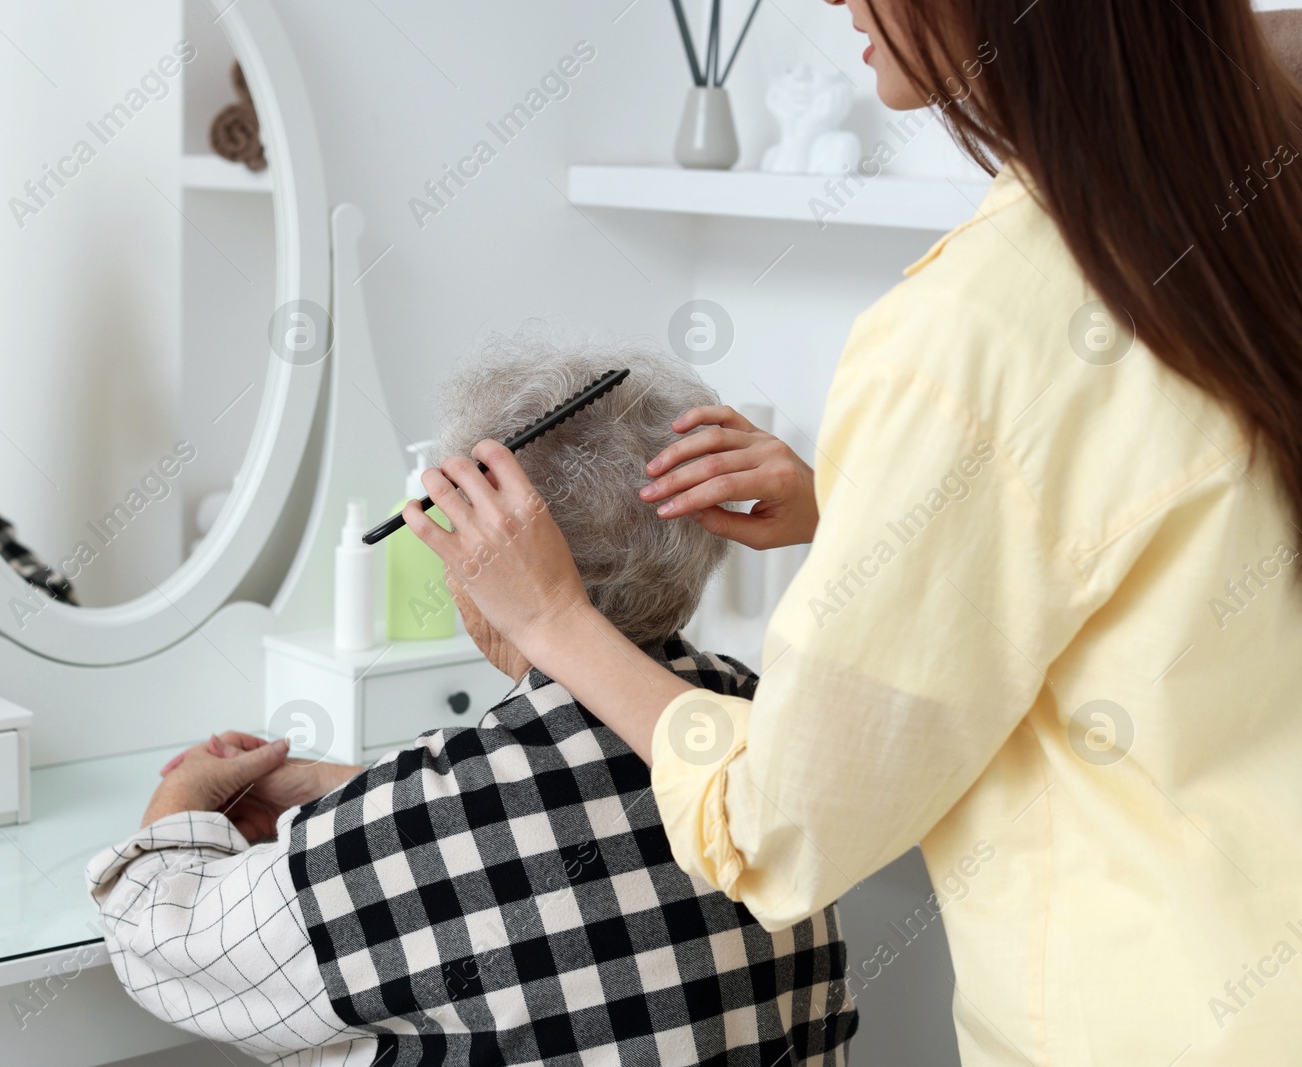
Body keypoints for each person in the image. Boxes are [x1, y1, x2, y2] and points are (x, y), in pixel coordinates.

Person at [397, 3, 1302, 1064]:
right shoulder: (1241, 226)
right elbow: (1174, 547)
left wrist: (552, 618)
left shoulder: (968, 333)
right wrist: (875, 514)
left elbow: (779, 826)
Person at [87, 343, 858, 1065]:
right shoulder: (759, 718)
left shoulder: (428, 829)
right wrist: (350, 789)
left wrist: (182, 798)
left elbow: (166, 939)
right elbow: (580, 791)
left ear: (486, 565)